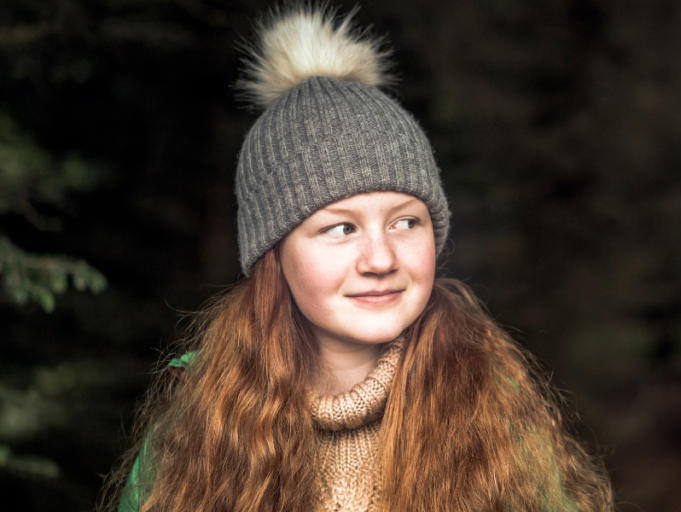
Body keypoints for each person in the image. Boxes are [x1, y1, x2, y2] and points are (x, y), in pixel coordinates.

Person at [102, 5, 614, 512]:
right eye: (341, 228)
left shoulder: (490, 403)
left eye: (406, 222)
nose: (381, 258)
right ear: (273, 256)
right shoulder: (202, 415)